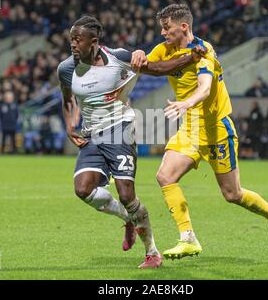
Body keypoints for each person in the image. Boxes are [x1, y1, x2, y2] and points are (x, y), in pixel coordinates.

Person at [131, 4, 268, 260]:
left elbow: (205, 88)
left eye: (167, 28)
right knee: (165, 176)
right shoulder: (166, 49)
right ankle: (188, 238)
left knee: (232, 194)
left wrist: (187, 102)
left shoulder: (205, 52)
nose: (162, 33)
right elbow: (149, 65)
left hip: (217, 128)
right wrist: (138, 53)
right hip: (191, 127)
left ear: (184, 27)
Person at [57, 16, 205, 269]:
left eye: (77, 39)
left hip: (120, 131)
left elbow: (158, 69)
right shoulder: (66, 69)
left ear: (93, 42)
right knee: (83, 190)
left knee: (127, 194)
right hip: (92, 135)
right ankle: (127, 219)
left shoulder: (120, 58)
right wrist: (70, 125)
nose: (72, 44)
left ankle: (152, 253)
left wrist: (190, 58)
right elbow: (68, 98)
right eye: (71, 39)